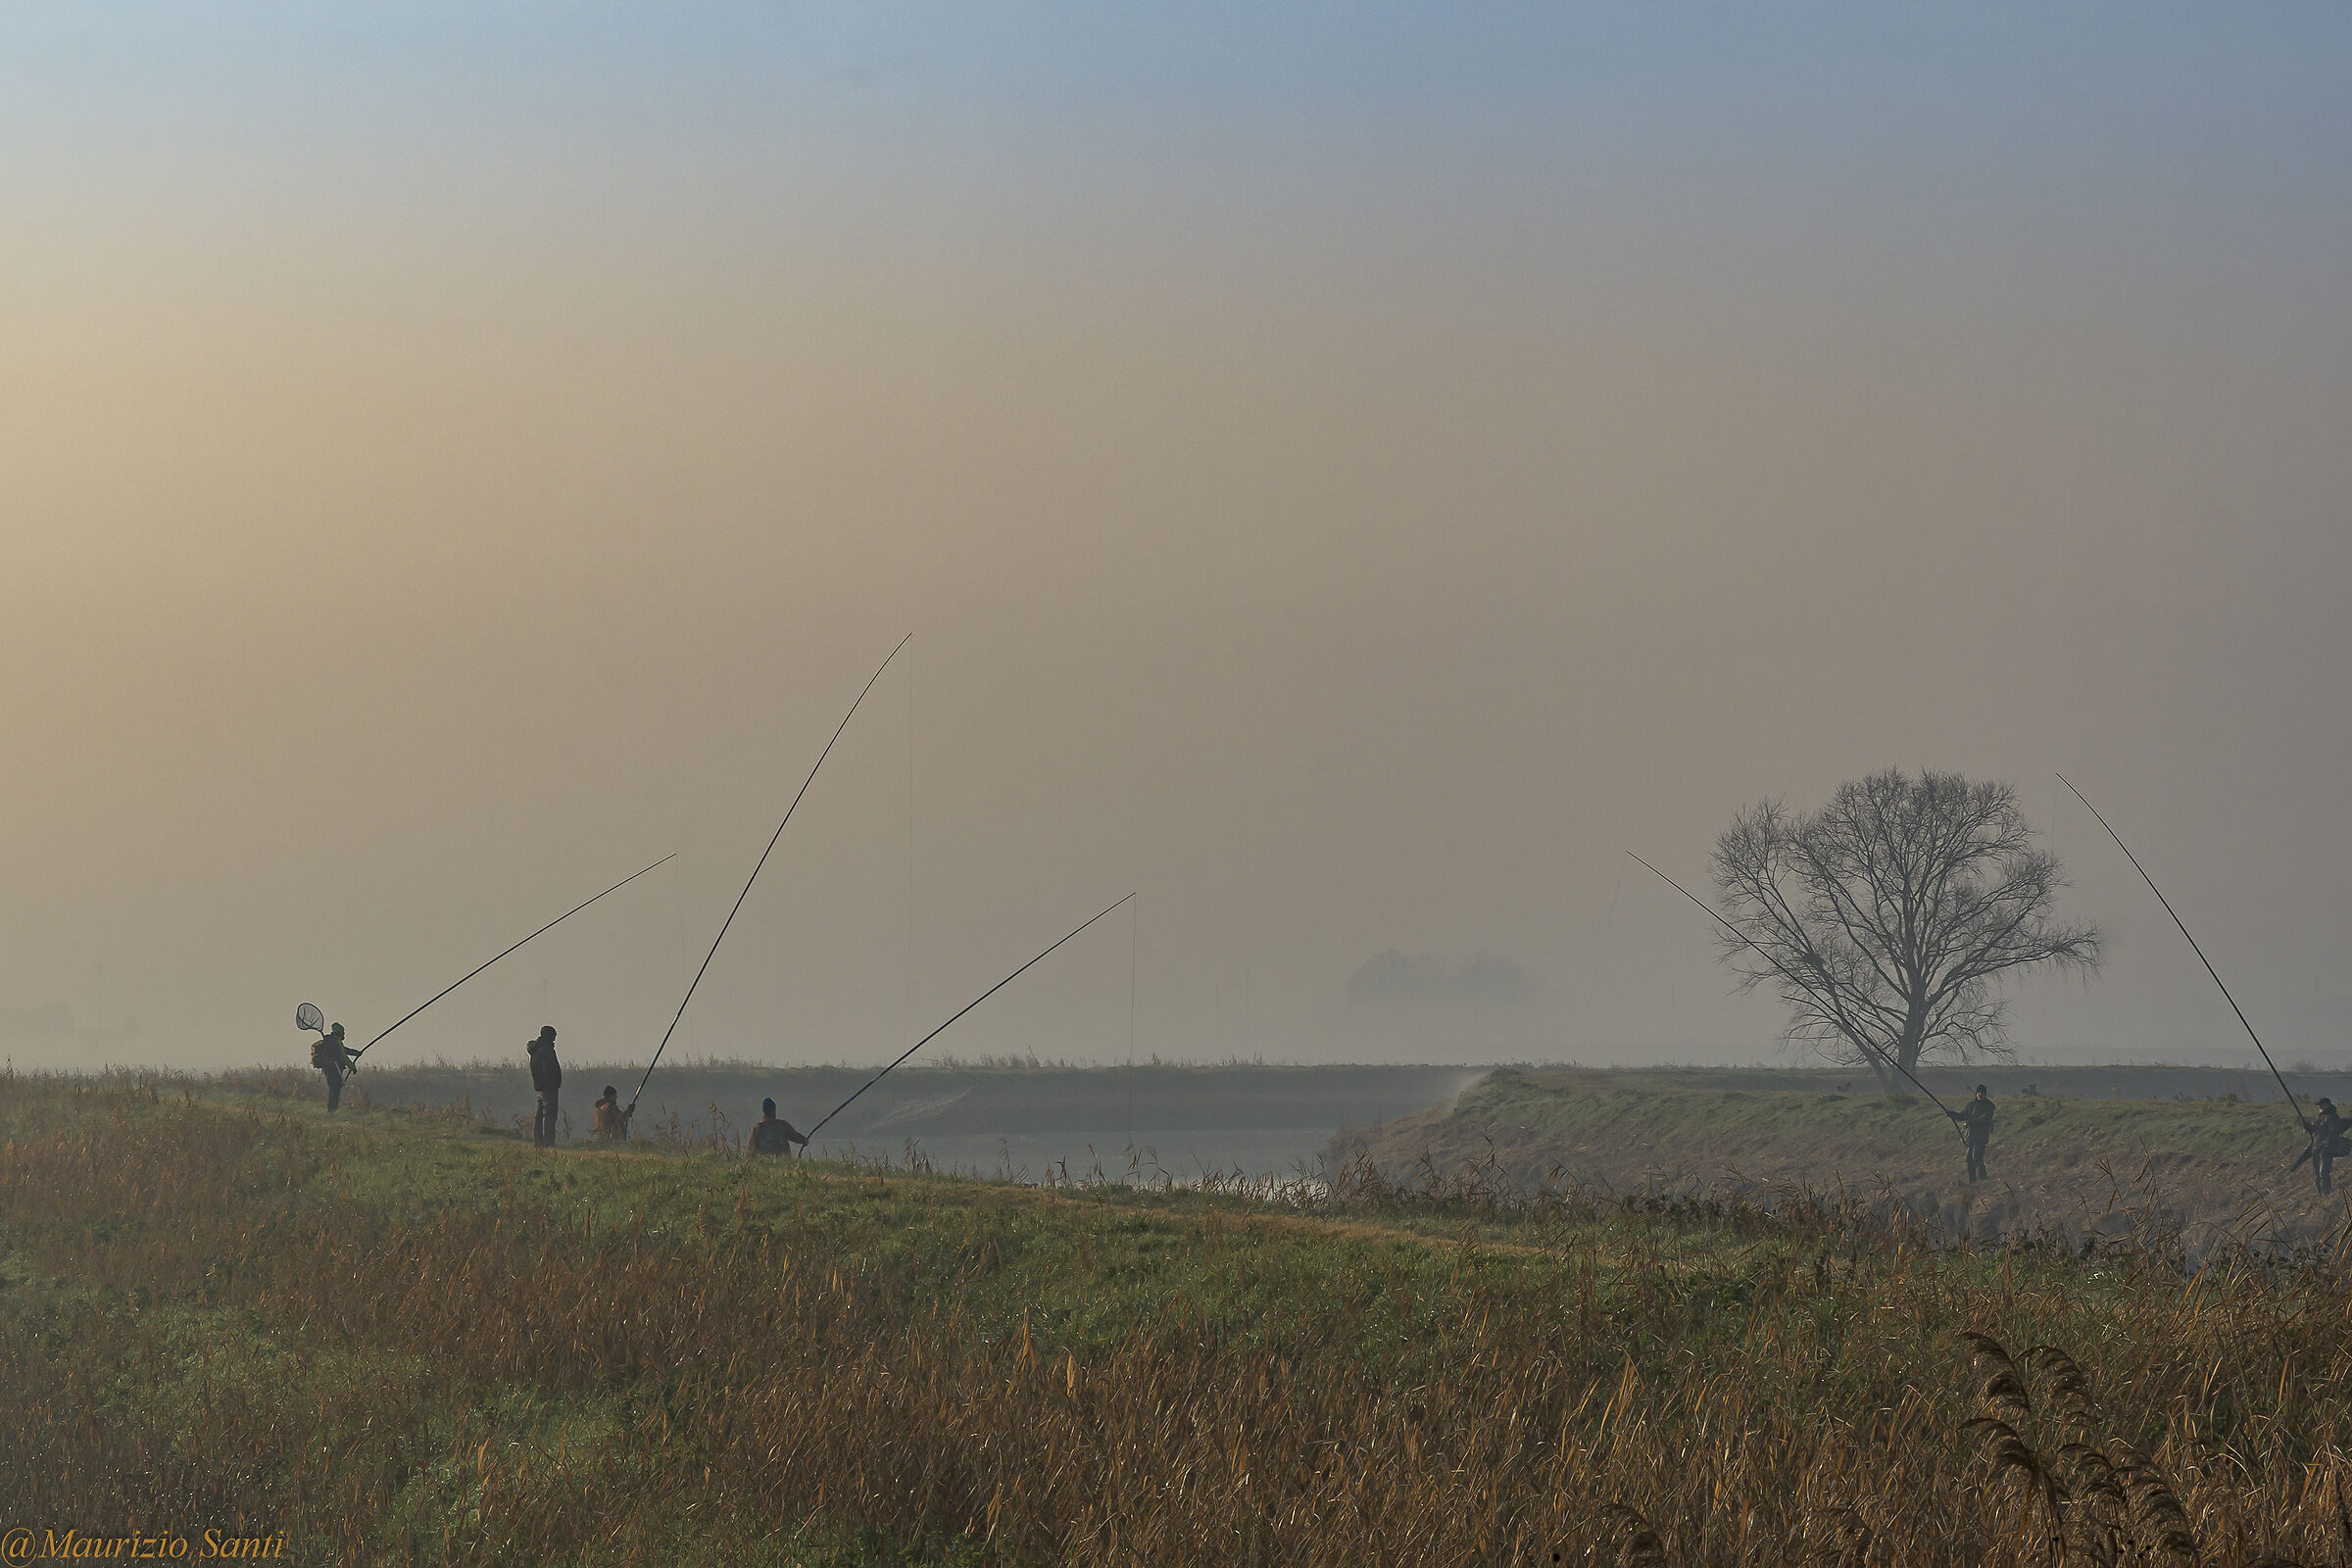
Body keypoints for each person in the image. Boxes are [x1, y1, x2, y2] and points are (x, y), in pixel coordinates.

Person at [2289, 1097, 2351, 1196]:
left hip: (2325, 1149)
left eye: (2321, 1105)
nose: (2320, 1107)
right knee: (2317, 1174)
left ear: (2327, 1105)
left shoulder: (2333, 1117)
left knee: (2323, 1173)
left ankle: (2326, 1194)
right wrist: (2307, 1127)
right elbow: (2315, 1131)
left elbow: (2332, 1132)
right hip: (2316, 1148)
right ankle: (2320, 1195)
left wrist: (2327, 1144)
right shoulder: (2320, 1118)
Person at [1949, 1084, 1995, 1183]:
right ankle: (1972, 1182)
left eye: (1982, 1093)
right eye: (1978, 1092)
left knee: (1977, 1158)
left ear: (1985, 1094)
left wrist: (1971, 1122)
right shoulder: (1971, 1105)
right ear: (1976, 1094)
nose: (1980, 1094)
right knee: (1969, 1160)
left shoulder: (1989, 1106)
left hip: (1981, 1137)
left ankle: (1983, 1179)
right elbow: (1963, 1115)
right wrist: (1953, 1114)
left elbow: (1985, 1119)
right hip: (1970, 1136)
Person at [311, 1022, 360, 1112]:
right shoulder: (336, 1042)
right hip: (334, 1069)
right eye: (343, 1032)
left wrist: (356, 1052)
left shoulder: (332, 1041)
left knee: (333, 1089)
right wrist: (352, 1067)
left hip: (328, 1069)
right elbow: (343, 1056)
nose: (344, 1034)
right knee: (335, 1090)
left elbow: (344, 1050)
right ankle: (332, 1110)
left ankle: (331, 1109)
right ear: (339, 1032)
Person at [526, 1025, 562, 1148]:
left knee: (539, 1116)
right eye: (554, 1035)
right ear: (549, 1036)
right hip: (549, 1088)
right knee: (550, 1117)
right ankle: (548, 1143)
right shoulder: (546, 1050)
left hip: (539, 1087)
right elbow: (550, 1070)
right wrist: (555, 1084)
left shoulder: (535, 1050)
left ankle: (538, 1142)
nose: (555, 1038)